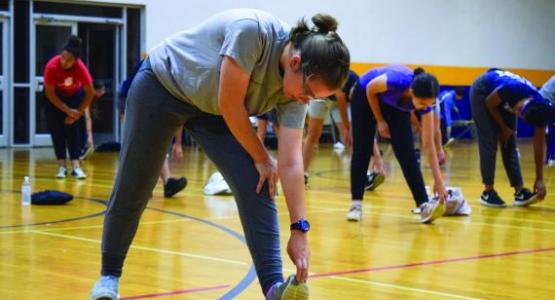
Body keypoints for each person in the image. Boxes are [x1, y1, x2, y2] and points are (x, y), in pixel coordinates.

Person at [90, 9, 350, 300]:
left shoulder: (296, 88)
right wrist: (262, 156)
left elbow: (291, 162)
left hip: (211, 110)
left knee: (259, 179)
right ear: (295, 62)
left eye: (315, 98)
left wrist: (299, 230)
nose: (307, 101)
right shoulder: (253, 32)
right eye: (308, 93)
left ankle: (274, 288)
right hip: (163, 86)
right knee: (135, 184)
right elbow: (230, 104)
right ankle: (108, 278)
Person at [347, 65, 447, 224]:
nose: (424, 107)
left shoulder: (425, 106)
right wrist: (380, 121)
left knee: (407, 154)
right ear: (412, 92)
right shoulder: (397, 80)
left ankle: (423, 205)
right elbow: (371, 89)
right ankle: (356, 205)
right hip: (365, 95)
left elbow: (428, 144)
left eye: (428, 104)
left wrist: (438, 180)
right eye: (421, 103)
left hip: (393, 105)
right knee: (362, 150)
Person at [471, 68, 554, 207]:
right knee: (489, 139)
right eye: (519, 111)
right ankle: (488, 192)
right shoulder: (512, 89)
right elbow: (489, 103)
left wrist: (539, 178)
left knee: (510, 140)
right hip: (483, 90)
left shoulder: (542, 107)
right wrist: (503, 128)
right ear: (525, 103)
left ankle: (519, 191)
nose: (517, 113)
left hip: (504, 96)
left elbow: (539, 145)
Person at [118, 59, 188, 198]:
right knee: (141, 144)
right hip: (129, 99)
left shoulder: (177, 83)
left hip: (152, 102)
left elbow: (178, 114)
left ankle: (167, 183)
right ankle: (138, 184)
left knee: (155, 144)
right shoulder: (151, 72)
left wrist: (178, 143)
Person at [43, 35, 95, 180]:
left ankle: (76, 167)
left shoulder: (80, 68)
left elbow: (90, 93)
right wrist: (67, 111)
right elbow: (50, 94)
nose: (64, 62)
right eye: (63, 57)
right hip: (54, 98)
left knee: (73, 131)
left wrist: (77, 113)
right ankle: (61, 167)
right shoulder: (52, 66)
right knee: (57, 131)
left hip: (74, 96)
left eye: (69, 60)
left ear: (75, 61)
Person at [79, 80, 105, 160]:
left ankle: (82, 150)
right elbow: (87, 117)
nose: (103, 92)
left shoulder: (93, 97)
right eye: (101, 90)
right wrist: (90, 137)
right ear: (95, 90)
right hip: (75, 110)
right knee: (81, 126)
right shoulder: (86, 95)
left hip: (80, 112)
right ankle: (80, 151)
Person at [539, 76, 555, 166]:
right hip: (545, 103)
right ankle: (550, 157)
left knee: (551, 132)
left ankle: (551, 157)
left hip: (547, 103)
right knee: (551, 132)